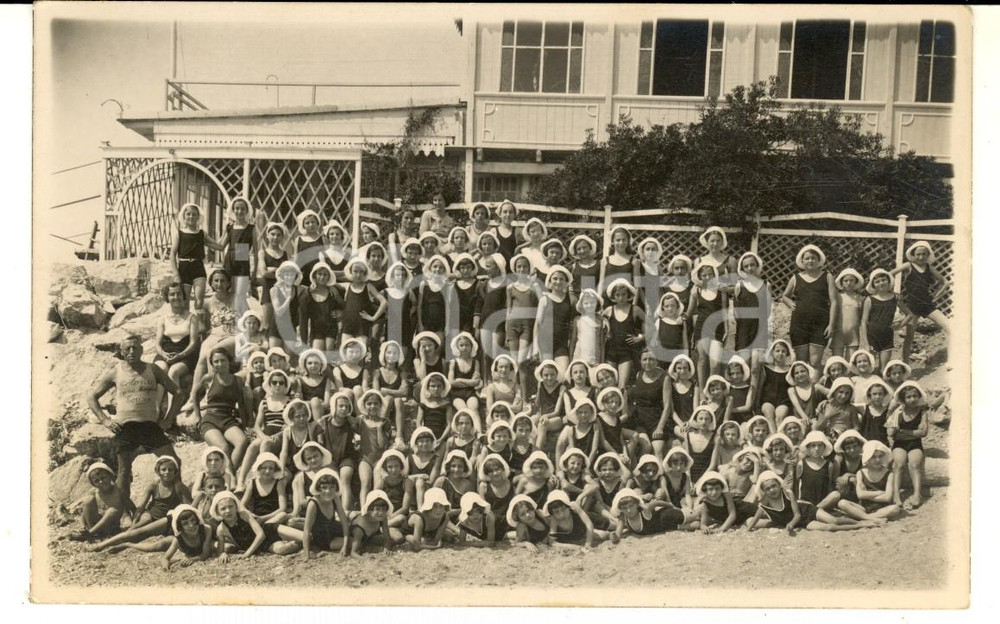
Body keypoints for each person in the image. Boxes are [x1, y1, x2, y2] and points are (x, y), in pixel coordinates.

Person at [87, 334, 181, 497]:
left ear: (142, 350)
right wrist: (105, 420)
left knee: (174, 462)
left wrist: (169, 418)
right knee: (124, 471)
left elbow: (178, 393)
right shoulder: (115, 372)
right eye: (127, 348)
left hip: (150, 426)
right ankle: (124, 512)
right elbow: (91, 396)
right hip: (125, 427)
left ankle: (176, 499)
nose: (132, 351)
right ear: (122, 352)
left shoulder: (153, 369)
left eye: (135, 348)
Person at [89, 456, 191, 552]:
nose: (167, 472)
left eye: (170, 470)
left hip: (166, 518)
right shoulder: (154, 485)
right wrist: (135, 521)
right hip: (151, 514)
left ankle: (104, 545)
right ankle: (103, 545)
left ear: (175, 472)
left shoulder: (179, 486)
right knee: (134, 528)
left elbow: (188, 508)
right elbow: (142, 505)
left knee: (139, 533)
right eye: (163, 469)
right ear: (158, 471)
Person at [747, 470, 876, 534]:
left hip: (806, 511)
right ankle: (859, 526)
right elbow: (755, 518)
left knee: (834, 520)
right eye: (767, 489)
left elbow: (797, 514)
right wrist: (748, 529)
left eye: (774, 486)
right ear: (763, 491)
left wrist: (791, 524)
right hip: (802, 523)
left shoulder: (788, 494)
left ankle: (860, 521)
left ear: (779, 485)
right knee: (829, 528)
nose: (772, 490)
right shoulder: (765, 502)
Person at [890, 241, 950, 363]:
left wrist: (937, 296)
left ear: (928, 255)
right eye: (918, 254)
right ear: (913, 255)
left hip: (928, 305)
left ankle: (952, 358)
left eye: (924, 254)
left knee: (950, 327)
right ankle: (905, 363)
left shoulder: (929, 268)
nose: (921, 257)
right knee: (909, 337)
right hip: (912, 307)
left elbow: (945, 281)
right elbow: (889, 274)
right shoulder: (908, 266)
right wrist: (892, 292)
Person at [192, 348, 250, 470]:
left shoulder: (238, 381)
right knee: (224, 448)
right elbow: (195, 394)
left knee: (242, 441)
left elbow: (242, 404)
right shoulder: (208, 378)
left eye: (222, 360)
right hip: (210, 420)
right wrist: (197, 415)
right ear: (212, 364)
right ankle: (231, 478)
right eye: (216, 362)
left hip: (228, 419)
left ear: (229, 361)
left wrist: (245, 424)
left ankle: (228, 474)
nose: (219, 364)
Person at [782, 245, 838, 369]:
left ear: (819, 261)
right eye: (807, 258)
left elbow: (834, 301)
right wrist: (790, 303)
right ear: (802, 261)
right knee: (801, 362)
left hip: (820, 324)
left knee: (815, 362)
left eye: (813, 258)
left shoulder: (827, 277)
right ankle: (802, 388)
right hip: (799, 324)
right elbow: (785, 296)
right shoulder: (795, 278)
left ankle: (814, 387)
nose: (810, 261)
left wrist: (831, 325)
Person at [153, 283, 201, 428]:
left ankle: (170, 415)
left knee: (174, 371)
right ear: (167, 297)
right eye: (172, 294)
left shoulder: (192, 317)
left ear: (183, 295)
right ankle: (155, 410)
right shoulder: (162, 318)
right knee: (160, 368)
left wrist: (179, 356)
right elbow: (157, 344)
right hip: (166, 352)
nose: (176, 297)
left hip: (185, 354)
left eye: (178, 294)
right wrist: (164, 355)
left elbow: (193, 343)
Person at [211, 491, 301, 559]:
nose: (228, 511)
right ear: (217, 512)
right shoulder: (221, 529)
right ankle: (299, 542)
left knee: (306, 536)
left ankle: (298, 527)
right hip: (263, 545)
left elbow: (260, 535)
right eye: (223, 509)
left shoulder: (243, 515)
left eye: (230, 506)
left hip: (269, 530)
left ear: (236, 506)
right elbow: (220, 551)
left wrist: (247, 553)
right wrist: (222, 554)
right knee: (283, 549)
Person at [171, 203, 223, 315]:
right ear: (183, 217)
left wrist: (229, 232)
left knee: (199, 302)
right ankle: (187, 329)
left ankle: (199, 327)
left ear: (198, 217)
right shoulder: (179, 234)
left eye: (194, 214)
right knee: (185, 303)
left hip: (198, 267)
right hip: (184, 268)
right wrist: (176, 274)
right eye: (188, 214)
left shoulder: (201, 234)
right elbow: (172, 255)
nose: (191, 217)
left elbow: (219, 246)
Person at [887, 380, 930, 508]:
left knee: (915, 464)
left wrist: (903, 431)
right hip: (899, 444)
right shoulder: (898, 412)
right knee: (899, 464)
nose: (912, 399)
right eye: (908, 397)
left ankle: (917, 493)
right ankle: (896, 494)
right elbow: (891, 433)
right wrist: (911, 432)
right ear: (903, 399)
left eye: (914, 396)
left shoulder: (922, 412)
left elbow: (923, 433)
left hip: (915, 444)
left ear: (919, 397)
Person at [688, 262, 727, 390]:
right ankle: (702, 394)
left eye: (710, 274)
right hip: (701, 327)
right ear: (700, 276)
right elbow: (689, 312)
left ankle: (712, 391)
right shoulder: (696, 290)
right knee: (702, 361)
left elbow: (724, 311)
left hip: (717, 328)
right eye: (704, 275)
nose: (707, 277)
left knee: (715, 364)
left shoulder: (721, 290)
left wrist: (727, 328)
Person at [297, 468, 351, 559]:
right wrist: (307, 554)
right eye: (324, 488)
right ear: (318, 488)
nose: (328, 491)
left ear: (336, 488)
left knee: (356, 532)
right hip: (323, 539)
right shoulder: (313, 503)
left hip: (333, 530)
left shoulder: (335, 498)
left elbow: (344, 521)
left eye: (332, 487)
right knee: (356, 542)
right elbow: (306, 530)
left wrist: (344, 546)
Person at [218, 197, 258, 319]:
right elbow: (220, 246)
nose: (239, 211)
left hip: (242, 260)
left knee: (240, 295)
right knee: (229, 293)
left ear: (247, 211)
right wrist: (202, 238)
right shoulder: (229, 227)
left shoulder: (251, 228)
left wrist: (254, 272)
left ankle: (247, 320)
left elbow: (256, 252)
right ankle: (230, 321)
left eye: (242, 209)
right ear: (233, 210)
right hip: (229, 260)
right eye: (237, 208)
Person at [68, 462, 126, 543]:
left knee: (112, 511)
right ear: (93, 484)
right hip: (93, 526)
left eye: (103, 477)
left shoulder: (118, 491)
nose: (101, 482)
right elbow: (83, 515)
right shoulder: (94, 493)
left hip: (111, 528)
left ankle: (89, 535)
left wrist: (134, 523)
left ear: (110, 476)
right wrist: (83, 527)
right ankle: (92, 534)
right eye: (97, 481)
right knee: (88, 500)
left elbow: (131, 508)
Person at [603, 278, 644, 388]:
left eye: (623, 294)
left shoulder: (635, 310)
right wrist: (604, 334)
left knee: (622, 386)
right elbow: (598, 326)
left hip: (626, 354)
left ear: (628, 294)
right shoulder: (608, 310)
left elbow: (652, 327)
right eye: (617, 295)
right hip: (610, 353)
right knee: (610, 385)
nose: (621, 298)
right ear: (613, 296)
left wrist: (641, 337)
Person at [861, 268, 899, 371]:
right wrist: (865, 343)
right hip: (872, 336)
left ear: (889, 281)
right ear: (873, 285)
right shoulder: (869, 300)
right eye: (877, 281)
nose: (881, 283)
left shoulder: (895, 298)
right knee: (870, 366)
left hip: (887, 336)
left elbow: (909, 314)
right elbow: (864, 322)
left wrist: (900, 325)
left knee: (884, 368)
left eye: (883, 280)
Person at [611, 488, 688, 539]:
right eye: (624, 508)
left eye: (631, 506)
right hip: (666, 527)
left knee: (692, 516)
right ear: (620, 509)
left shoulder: (645, 510)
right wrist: (615, 536)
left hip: (668, 516)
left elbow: (656, 503)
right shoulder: (623, 517)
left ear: (637, 504)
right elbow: (618, 533)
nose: (628, 510)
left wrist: (671, 506)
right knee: (694, 525)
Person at [831, 268, 865, 359]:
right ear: (842, 283)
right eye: (846, 280)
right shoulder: (837, 297)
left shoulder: (860, 298)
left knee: (850, 363)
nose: (849, 283)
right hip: (838, 333)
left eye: (851, 280)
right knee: (837, 361)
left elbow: (862, 317)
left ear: (856, 282)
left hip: (853, 335)